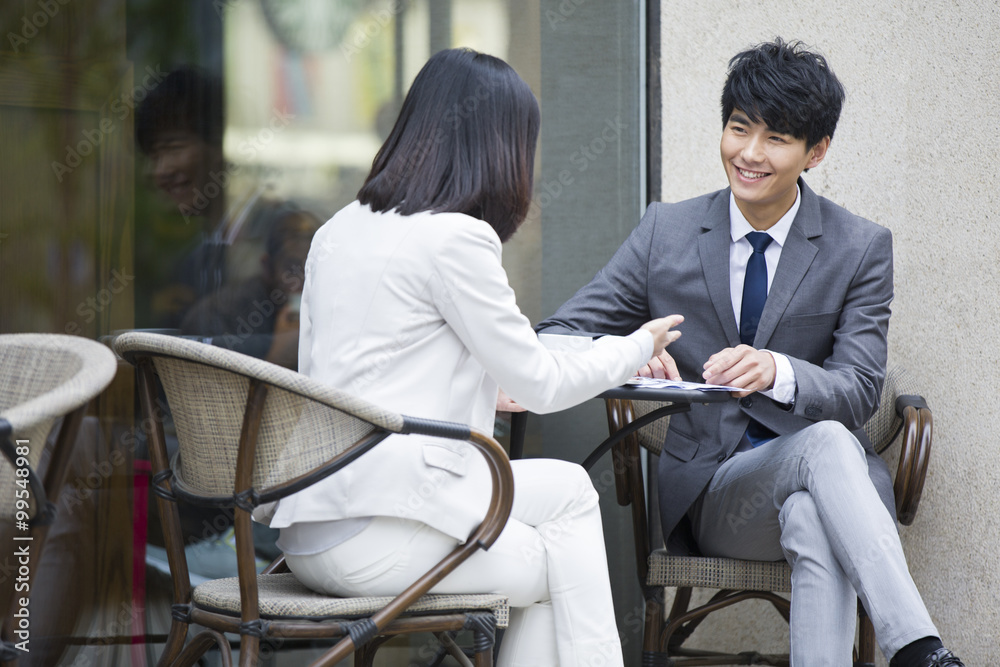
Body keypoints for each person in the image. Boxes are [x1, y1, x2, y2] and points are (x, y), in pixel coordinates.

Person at [536, 39, 963, 667]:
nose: (750, 154)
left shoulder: (860, 247)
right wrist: (625, 352)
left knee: (815, 509)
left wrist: (781, 372)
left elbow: (860, 387)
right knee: (825, 445)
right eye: (739, 129)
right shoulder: (666, 231)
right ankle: (917, 648)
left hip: (833, 490)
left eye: (777, 139)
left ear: (815, 152)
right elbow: (558, 333)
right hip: (719, 494)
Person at [258, 48, 683, 667]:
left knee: (569, 490)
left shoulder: (339, 229)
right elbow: (540, 383)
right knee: (554, 567)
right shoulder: (454, 237)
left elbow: (377, 360)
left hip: (310, 528)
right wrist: (636, 347)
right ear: (499, 147)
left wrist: (490, 381)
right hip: (375, 535)